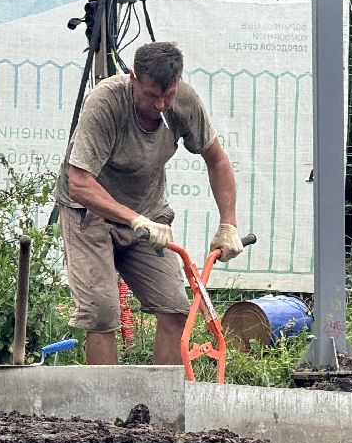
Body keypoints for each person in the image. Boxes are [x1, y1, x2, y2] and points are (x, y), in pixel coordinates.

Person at [55, 41, 241, 365]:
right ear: (133, 78)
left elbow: (217, 160)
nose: (160, 104)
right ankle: (105, 399)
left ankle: (163, 398)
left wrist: (228, 223)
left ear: (177, 82)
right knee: (102, 312)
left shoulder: (184, 102)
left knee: (176, 309)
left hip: (148, 215)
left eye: (167, 95)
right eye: (151, 95)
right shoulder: (105, 103)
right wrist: (134, 219)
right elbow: (80, 183)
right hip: (88, 214)